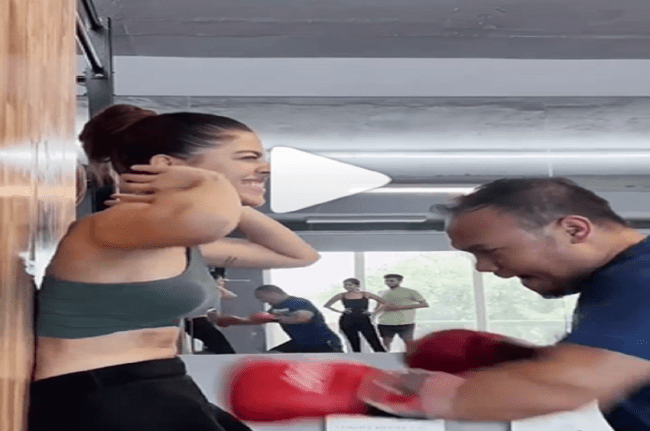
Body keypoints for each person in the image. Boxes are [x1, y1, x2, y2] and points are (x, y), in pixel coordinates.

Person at [29, 104, 319, 431]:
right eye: (248, 158)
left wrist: (226, 192)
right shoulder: (114, 226)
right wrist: (209, 183)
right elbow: (211, 220)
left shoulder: (175, 237)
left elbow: (299, 256)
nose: (264, 168)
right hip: (97, 391)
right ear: (167, 165)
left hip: (159, 382)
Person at [358, 177, 650, 429]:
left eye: (489, 251)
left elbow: (570, 385)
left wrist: (373, 393)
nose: (483, 267)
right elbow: (621, 369)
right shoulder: (616, 281)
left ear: (574, 230)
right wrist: (524, 359)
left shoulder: (640, 278)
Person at [219, 285, 343, 353]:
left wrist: (274, 317)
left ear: (272, 293)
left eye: (262, 297)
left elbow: (303, 318)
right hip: (300, 343)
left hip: (323, 342)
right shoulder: (275, 308)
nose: (262, 301)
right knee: (271, 356)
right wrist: (234, 321)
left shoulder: (298, 302)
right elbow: (257, 320)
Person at [323, 278, 386, 352]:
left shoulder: (365, 294)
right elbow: (327, 305)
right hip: (348, 320)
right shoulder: (341, 295)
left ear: (357, 286)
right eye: (345, 285)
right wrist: (341, 311)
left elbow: (384, 302)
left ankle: (383, 357)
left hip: (364, 320)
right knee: (354, 344)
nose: (347, 286)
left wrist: (373, 312)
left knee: (374, 342)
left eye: (350, 285)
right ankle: (358, 358)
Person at [185, 269, 237, 354]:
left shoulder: (217, 291)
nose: (223, 283)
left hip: (206, 321)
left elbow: (231, 296)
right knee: (222, 346)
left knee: (220, 344)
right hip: (196, 321)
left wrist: (216, 287)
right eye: (221, 281)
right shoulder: (203, 290)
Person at [375, 274, 429, 351]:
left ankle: (410, 357)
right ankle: (386, 356)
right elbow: (377, 307)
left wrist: (399, 307)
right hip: (385, 322)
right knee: (386, 343)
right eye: (386, 281)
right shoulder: (381, 292)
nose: (388, 282)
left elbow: (425, 304)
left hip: (406, 322)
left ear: (400, 281)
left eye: (391, 281)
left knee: (408, 343)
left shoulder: (411, 292)